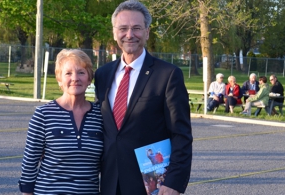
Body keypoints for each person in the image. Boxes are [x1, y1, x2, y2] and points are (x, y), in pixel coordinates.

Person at [94, 1, 193, 195]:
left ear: (147, 32)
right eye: (123, 28)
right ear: (115, 33)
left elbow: (181, 134)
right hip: (109, 182)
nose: (129, 35)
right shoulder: (102, 74)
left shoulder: (168, 74)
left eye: (136, 28)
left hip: (151, 184)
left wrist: (174, 182)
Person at [18, 49, 104, 195]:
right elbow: (29, 163)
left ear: (89, 79)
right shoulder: (43, 114)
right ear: (59, 79)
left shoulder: (100, 115)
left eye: (81, 72)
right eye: (68, 73)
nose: (75, 78)